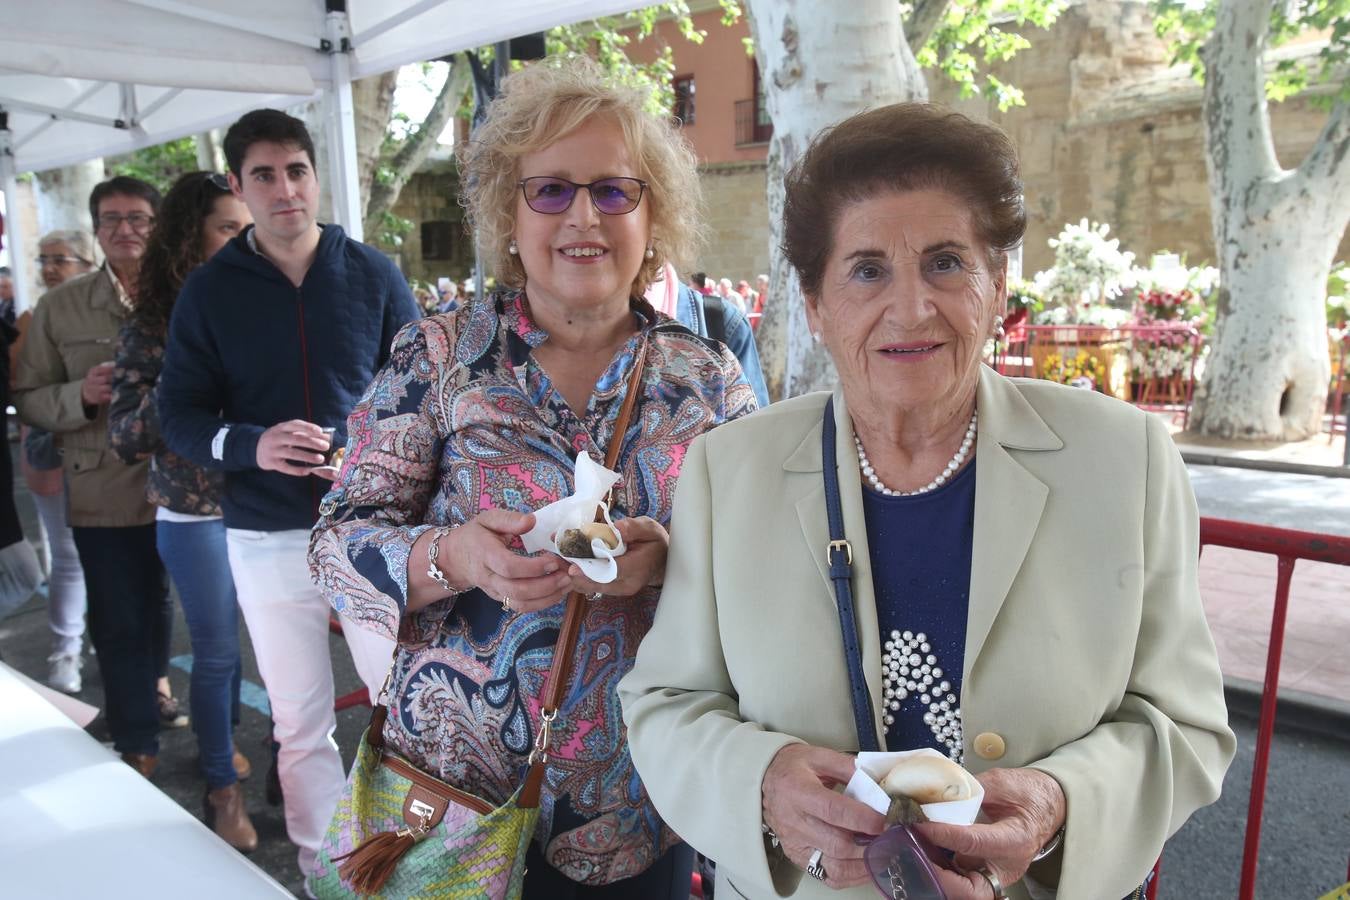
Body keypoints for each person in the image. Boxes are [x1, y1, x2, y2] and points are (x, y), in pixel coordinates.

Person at [620, 103, 1236, 900]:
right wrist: (762, 782)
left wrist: (1060, 804)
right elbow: (665, 702)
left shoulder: (1126, 461)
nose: (911, 308)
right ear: (814, 306)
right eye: (867, 269)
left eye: (946, 262)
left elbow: (1186, 726)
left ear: (998, 284)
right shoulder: (727, 472)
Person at [308, 57, 756, 898]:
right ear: (509, 217)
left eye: (615, 191)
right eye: (550, 190)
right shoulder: (441, 355)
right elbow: (336, 544)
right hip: (449, 803)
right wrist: (455, 557)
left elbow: (755, 564)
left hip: (639, 804)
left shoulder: (707, 376)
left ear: (651, 216)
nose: (583, 215)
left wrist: (665, 557)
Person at [158, 108, 419, 880]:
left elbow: (420, 393)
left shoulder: (371, 272)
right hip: (264, 533)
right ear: (240, 186)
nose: (284, 189)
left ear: (315, 175)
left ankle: (406, 862)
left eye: (296, 170)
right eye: (264, 175)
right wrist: (251, 444)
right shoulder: (208, 293)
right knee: (300, 720)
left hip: (371, 527)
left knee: (401, 704)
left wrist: (371, 455)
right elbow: (177, 416)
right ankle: (320, 871)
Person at [107, 171, 257, 851]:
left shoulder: (259, 301)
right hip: (194, 512)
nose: (243, 236)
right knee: (219, 655)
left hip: (268, 507)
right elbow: (126, 434)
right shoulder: (152, 322)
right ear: (190, 239)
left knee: (285, 656)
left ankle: (264, 762)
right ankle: (221, 787)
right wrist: (185, 381)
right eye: (227, 227)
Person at [13, 176, 181, 777]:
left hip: (180, 487)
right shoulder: (60, 306)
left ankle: (154, 692)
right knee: (115, 613)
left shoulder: (184, 292)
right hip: (98, 485)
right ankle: (135, 739)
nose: (125, 230)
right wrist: (77, 395)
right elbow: (27, 396)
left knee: (159, 601)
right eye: (111, 220)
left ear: (157, 225)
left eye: (137, 218)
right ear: (96, 231)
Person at [11, 230, 95, 692]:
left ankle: (99, 636)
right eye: (43, 258)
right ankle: (65, 652)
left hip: (110, 465)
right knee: (67, 558)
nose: (48, 267)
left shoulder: (119, 313)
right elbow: (23, 395)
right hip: (51, 455)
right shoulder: (29, 319)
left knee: (114, 560)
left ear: (86, 263)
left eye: (59, 259)